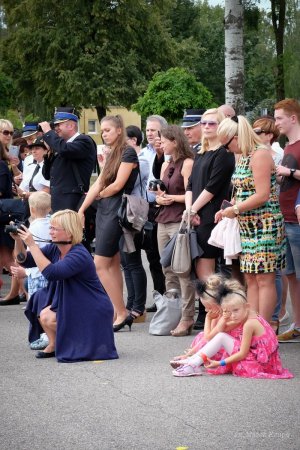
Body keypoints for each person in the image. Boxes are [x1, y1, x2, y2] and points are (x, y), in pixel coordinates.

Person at [14, 209, 118, 362]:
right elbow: (23, 260)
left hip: (91, 306)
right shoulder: (55, 248)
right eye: (50, 227)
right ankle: (55, 343)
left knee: (49, 317)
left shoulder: (79, 254)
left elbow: (52, 273)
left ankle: (84, 340)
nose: (51, 232)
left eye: (55, 228)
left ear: (69, 233)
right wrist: (18, 240)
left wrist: (33, 245)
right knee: (45, 313)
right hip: (74, 300)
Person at [217, 115, 286, 323]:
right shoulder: (245, 155)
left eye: (227, 144)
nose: (227, 150)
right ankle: (253, 325)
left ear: (237, 137)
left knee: (264, 278)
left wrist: (235, 209)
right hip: (247, 225)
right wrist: (228, 208)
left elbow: (262, 194)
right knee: (250, 277)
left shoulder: (260, 154)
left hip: (265, 223)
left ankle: (264, 328)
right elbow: (241, 189)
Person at [78, 115, 139, 332]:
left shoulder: (128, 151)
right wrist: (82, 210)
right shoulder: (112, 152)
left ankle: (122, 312)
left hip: (116, 210)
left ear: (119, 130)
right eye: (102, 130)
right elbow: (99, 184)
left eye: (108, 130)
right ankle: (117, 310)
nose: (104, 134)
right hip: (106, 210)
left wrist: (100, 195)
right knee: (112, 264)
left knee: (100, 264)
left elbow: (117, 185)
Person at [171, 286, 293, 379]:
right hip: (261, 362)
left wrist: (220, 362)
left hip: (258, 365)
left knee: (222, 337)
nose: (233, 315)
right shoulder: (246, 314)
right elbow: (216, 333)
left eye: (235, 310)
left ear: (247, 306)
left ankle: (193, 363)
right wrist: (221, 318)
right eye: (228, 312)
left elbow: (242, 353)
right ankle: (193, 361)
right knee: (220, 336)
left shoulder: (250, 323)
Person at [185, 108, 235, 291]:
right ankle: (209, 311)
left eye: (211, 123)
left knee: (206, 266)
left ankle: (215, 310)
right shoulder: (200, 151)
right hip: (196, 213)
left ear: (221, 125)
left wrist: (193, 210)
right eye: (203, 123)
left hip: (211, 214)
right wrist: (189, 210)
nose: (206, 126)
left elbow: (212, 188)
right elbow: (190, 185)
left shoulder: (224, 153)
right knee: (199, 266)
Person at [155, 125, 195, 336]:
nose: (161, 143)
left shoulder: (188, 163)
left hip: (179, 220)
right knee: (167, 269)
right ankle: (173, 313)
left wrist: (171, 199)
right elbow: (161, 192)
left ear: (175, 141)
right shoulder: (165, 163)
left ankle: (187, 317)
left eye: (164, 140)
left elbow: (191, 193)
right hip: (163, 218)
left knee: (182, 269)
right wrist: (160, 197)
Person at [10, 191, 51, 350]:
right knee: (48, 304)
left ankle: (45, 335)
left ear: (31, 209)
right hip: (49, 273)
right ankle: (47, 334)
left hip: (36, 274)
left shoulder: (32, 227)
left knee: (37, 306)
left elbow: (28, 256)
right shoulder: (52, 224)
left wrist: (25, 272)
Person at [274, 99, 300, 342]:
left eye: (280, 118)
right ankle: (297, 324)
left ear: (293, 118)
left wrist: (288, 172)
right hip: (285, 217)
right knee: (290, 274)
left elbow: (293, 174)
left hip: (297, 219)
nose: (276, 123)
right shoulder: (288, 146)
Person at [39, 107, 97, 212]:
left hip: (72, 200)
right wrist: (49, 153)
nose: (55, 129)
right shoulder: (61, 145)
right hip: (58, 201)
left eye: (58, 125)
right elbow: (47, 175)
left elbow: (65, 150)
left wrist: (48, 132)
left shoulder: (84, 141)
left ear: (71, 125)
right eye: (54, 126)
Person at [119, 125, 150, 321]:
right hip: (123, 212)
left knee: (133, 261)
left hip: (133, 213)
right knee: (126, 262)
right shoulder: (127, 159)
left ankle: (139, 306)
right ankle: (130, 303)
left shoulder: (143, 160)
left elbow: (123, 182)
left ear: (134, 141)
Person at [142, 115, 167, 313]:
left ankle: (172, 298)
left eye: (154, 130)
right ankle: (159, 296)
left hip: (165, 207)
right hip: (147, 208)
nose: (150, 133)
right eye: (147, 130)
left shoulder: (168, 152)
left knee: (167, 256)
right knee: (152, 255)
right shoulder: (142, 153)